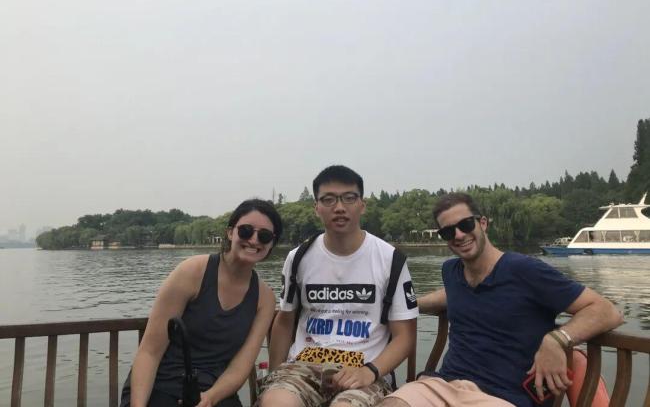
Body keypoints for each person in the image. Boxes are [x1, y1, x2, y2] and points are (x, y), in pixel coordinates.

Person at [379, 192, 623, 407]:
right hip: (443, 384)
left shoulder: (525, 270)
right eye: (448, 231)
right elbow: (450, 295)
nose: (459, 235)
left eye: (465, 224)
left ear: (483, 223)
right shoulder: (451, 271)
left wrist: (556, 340)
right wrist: (406, 305)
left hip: (502, 396)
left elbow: (607, 311)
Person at [258, 165, 419, 407]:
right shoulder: (298, 257)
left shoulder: (390, 259)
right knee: (277, 402)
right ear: (316, 208)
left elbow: (405, 336)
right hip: (304, 366)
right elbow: (285, 320)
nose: (340, 207)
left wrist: (371, 371)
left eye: (349, 198)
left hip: (365, 370)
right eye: (329, 199)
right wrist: (276, 375)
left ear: (362, 205)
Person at [120, 199, 281, 407]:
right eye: (246, 231)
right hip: (162, 386)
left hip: (216, 393)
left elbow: (240, 367)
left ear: (271, 243)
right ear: (230, 232)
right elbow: (150, 352)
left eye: (264, 236)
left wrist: (210, 397)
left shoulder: (265, 299)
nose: (253, 240)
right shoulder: (192, 272)